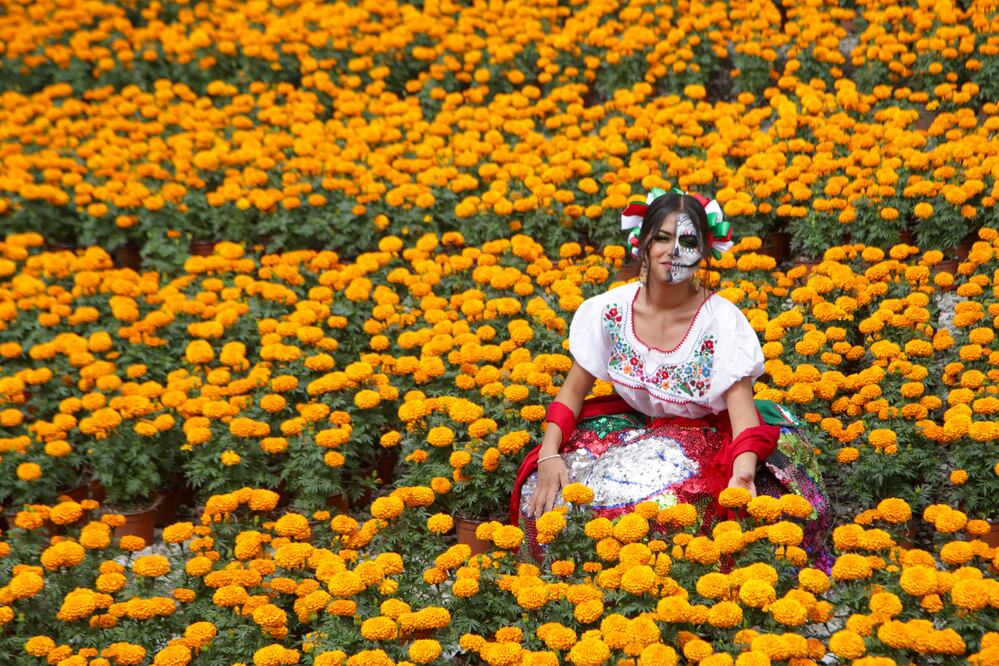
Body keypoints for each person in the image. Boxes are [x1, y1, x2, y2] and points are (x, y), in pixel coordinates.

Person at [510, 188, 832, 566]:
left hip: (703, 435)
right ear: (642, 245)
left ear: (704, 253)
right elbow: (572, 392)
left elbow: (744, 420)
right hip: (632, 426)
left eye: (687, 241)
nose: (673, 251)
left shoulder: (721, 322)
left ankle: (640, 585)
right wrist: (549, 455)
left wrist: (742, 477)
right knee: (546, 493)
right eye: (662, 238)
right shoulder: (610, 311)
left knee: (649, 505)